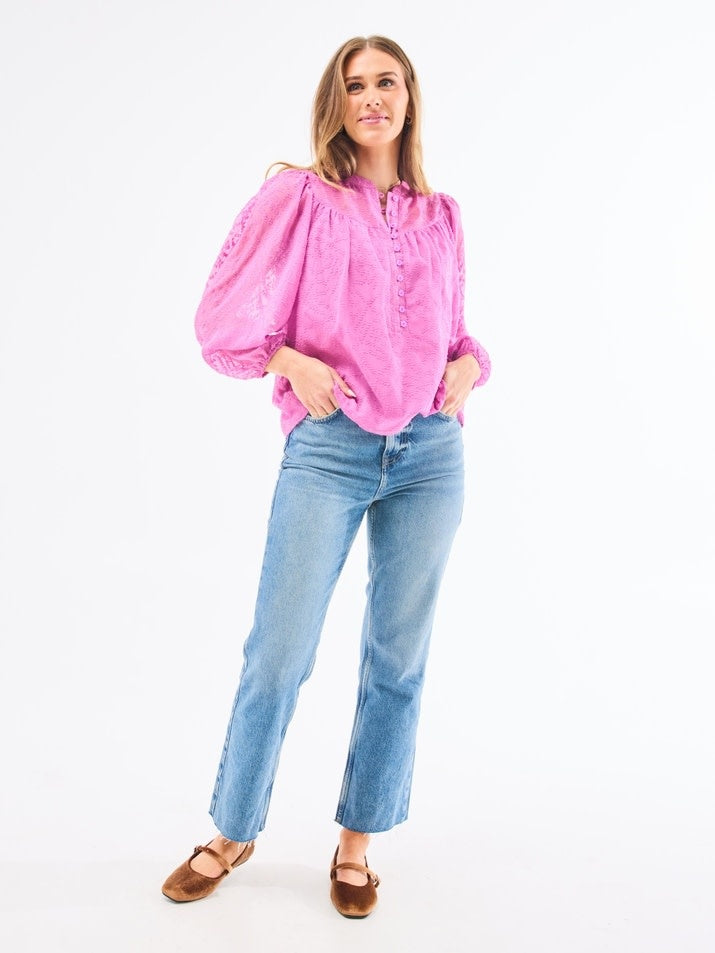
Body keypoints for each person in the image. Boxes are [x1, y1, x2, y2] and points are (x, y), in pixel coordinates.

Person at [161, 34, 491, 919]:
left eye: (386, 82)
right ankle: (231, 830)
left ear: (409, 97)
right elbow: (221, 318)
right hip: (331, 448)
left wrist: (473, 363)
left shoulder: (442, 214)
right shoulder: (300, 198)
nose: (371, 97)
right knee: (279, 650)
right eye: (355, 85)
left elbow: (453, 330)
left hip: (431, 452)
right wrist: (287, 361)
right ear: (336, 103)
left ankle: (356, 842)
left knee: (398, 656)